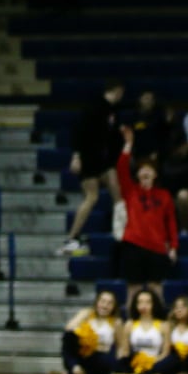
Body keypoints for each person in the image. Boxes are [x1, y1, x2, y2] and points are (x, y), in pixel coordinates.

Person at [59, 80, 125, 255]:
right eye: (121, 93)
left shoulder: (113, 111)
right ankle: (71, 238)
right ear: (117, 90)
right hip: (88, 158)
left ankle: (121, 230)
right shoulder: (94, 107)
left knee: (116, 190)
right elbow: (78, 131)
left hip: (102, 160)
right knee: (92, 197)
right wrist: (76, 156)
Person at [115, 124, 178, 305]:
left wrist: (173, 246)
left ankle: (158, 328)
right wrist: (128, 145)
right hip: (133, 244)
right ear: (138, 174)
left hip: (158, 247)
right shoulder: (130, 191)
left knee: (156, 290)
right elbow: (121, 169)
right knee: (133, 289)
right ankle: (128, 330)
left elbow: (171, 222)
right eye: (142, 169)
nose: (145, 172)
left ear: (155, 174)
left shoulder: (164, 195)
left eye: (149, 169)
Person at [58, 289, 121, 374]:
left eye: (109, 303)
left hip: (102, 358)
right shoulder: (87, 314)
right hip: (83, 356)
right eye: (102, 301)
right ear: (97, 302)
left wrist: (116, 366)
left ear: (114, 307)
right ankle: (74, 368)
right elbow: (68, 329)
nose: (105, 305)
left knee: (104, 360)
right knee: (68, 337)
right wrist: (83, 315)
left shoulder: (116, 322)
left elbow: (122, 348)